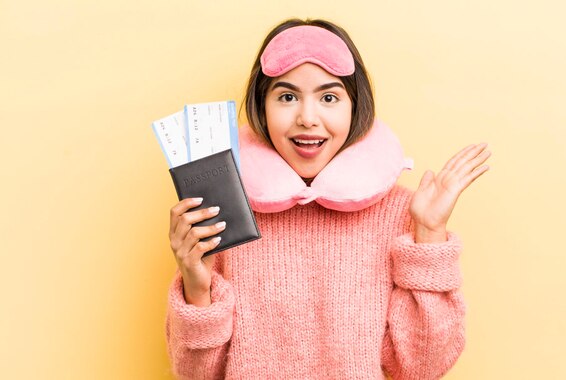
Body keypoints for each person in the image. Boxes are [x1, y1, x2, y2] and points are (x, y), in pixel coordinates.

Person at [165, 18, 491, 379]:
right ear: (262, 107)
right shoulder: (221, 213)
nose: (307, 118)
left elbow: (422, 366)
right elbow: (197, 375)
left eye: (329, 97)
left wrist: (429, 235)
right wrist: (197, 284)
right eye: (287, 97)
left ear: (355, 108)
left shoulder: (404, 212)